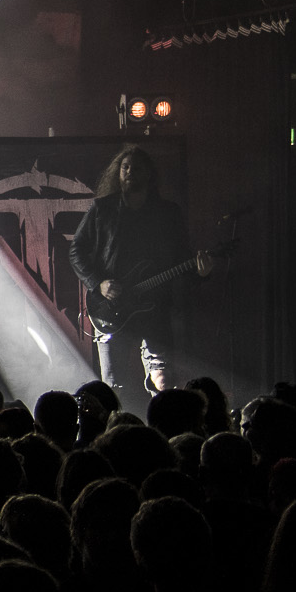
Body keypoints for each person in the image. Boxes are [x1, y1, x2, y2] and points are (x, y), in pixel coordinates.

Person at [69, 146, 214, 407]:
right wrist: (98, 283)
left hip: (155, 310)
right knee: (114, 388)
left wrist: (201, 273)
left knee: (164, 382)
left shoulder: (168, 213)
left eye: (136, 168)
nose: (129, 172)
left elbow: (182, 260)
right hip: (111, 309)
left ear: (149, 174)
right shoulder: (102, 209)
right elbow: (76, 250)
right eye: (125, 167)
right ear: (118, 172)